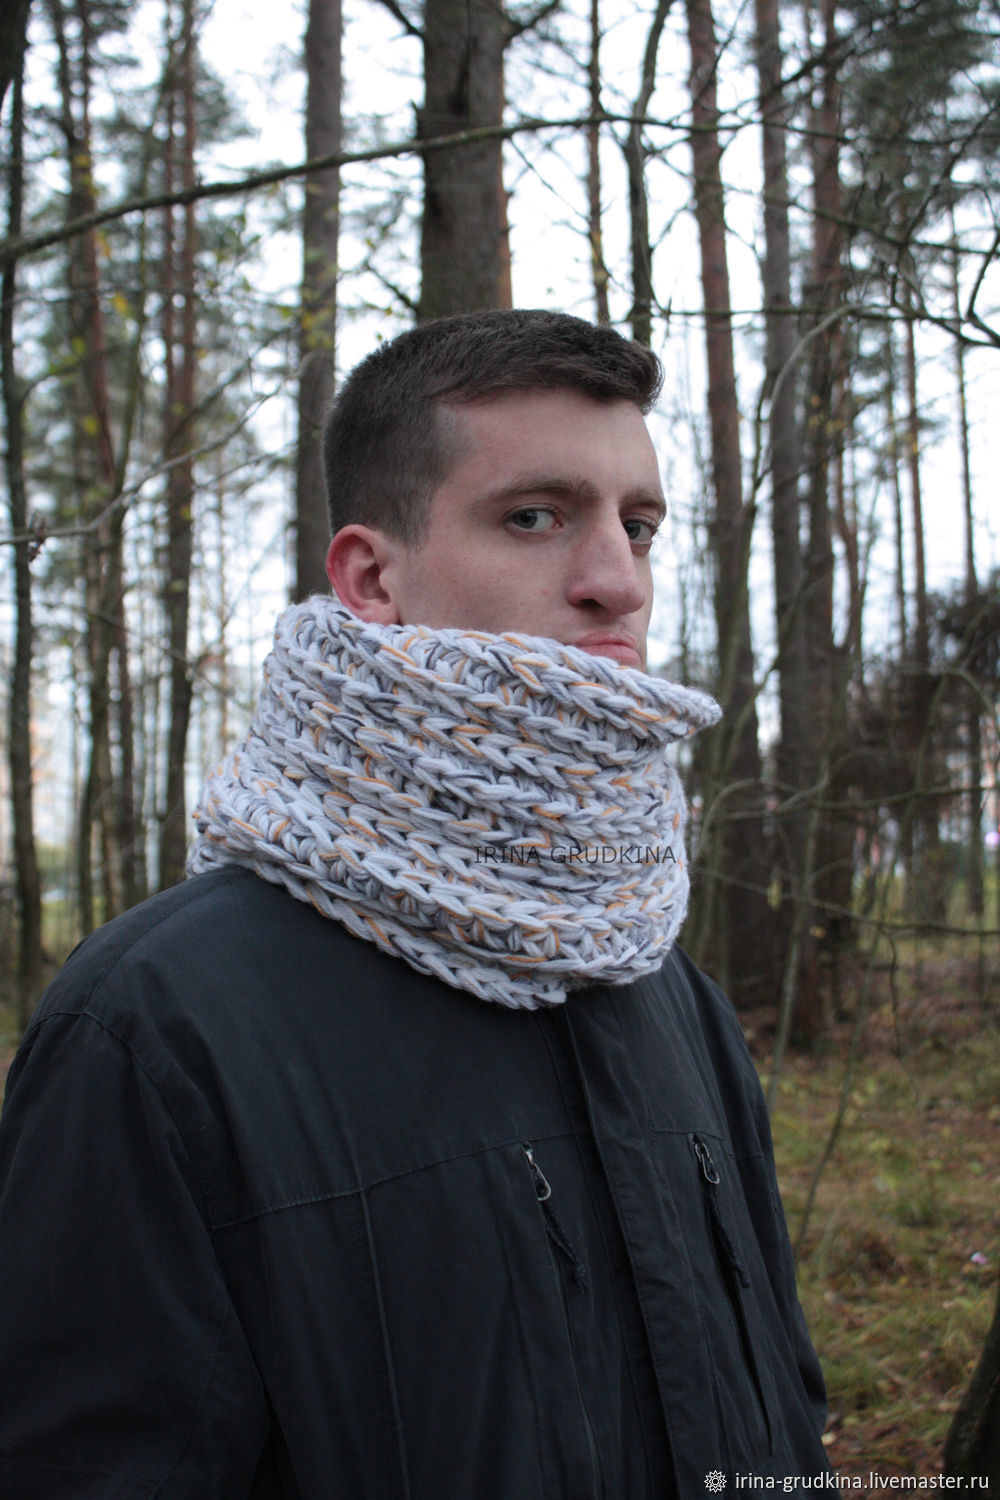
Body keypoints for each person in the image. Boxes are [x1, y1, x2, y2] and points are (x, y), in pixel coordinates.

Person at [0, 309, 830, 1497]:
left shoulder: (666, 991)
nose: (616, 581)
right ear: (371, 576)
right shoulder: (154, 1028)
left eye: (638, 525)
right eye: (535, 516)